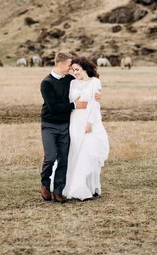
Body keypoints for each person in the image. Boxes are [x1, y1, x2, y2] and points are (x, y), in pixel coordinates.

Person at [40, 51, 101, 203]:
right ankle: (45, 184)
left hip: (66, 125)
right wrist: (74, 105)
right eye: (69, 66)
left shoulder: (69, 79)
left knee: (63, 158)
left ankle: (59, 190)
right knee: (50, 157)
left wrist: (97, 95)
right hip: (49, 125)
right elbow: (53, 107)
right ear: (60, 64)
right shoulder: (46, 83)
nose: (71, 69)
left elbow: (86, 80)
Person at [63, 56, 109, 200]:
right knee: (76, 152)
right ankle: (76, 186)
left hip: (90, 121)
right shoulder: (72, 83)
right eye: (73, 70)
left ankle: (92, 186)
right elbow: (71, 101)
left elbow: (95, 104)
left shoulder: (95, 82)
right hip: (75, 121)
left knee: (90, 154)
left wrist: (90, 122)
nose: (75, 72)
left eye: (77, 69)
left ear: (84, 68)